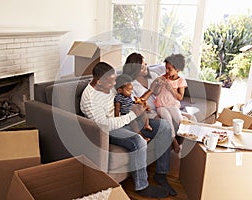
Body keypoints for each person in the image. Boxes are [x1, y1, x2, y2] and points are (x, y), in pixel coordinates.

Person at [80, 62, 176, 198]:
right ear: (99, 81)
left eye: (114, 80)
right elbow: (104, 125)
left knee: (164, 126)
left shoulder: (109, 85)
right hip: (108, 130)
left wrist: (137, 106)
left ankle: (161, 174)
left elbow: (125, 98)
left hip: (126, 120)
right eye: (110, 82)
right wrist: (133, 115)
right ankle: (142, 186)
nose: (114, 85)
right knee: (139, 141)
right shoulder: (90, 99)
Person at [153, 53, 187, 153]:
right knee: (167, 119)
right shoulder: (163, 78)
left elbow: (180, 97)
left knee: (179, 120)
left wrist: (171, 89)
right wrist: (157, 84)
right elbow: (155, 92)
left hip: (172, 105)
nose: (167, 71)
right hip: (161, 106)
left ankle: (184, 121)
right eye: (166, 68)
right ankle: (174, 140)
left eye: (169, 69)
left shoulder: (181, 81)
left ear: (178, 69)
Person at [114, 74, 152, 142]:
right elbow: (117, 109)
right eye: (128, 90)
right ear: (120, 90)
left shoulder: (128, 96)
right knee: (134, 125)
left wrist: (139, 103)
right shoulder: (118, 98)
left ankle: (146, 125)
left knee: (143, 112)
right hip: (127, 115)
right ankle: (142, 136)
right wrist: (117, 118)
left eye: (131, 90)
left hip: (133, 111)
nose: (131, 92)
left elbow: (132, 102)